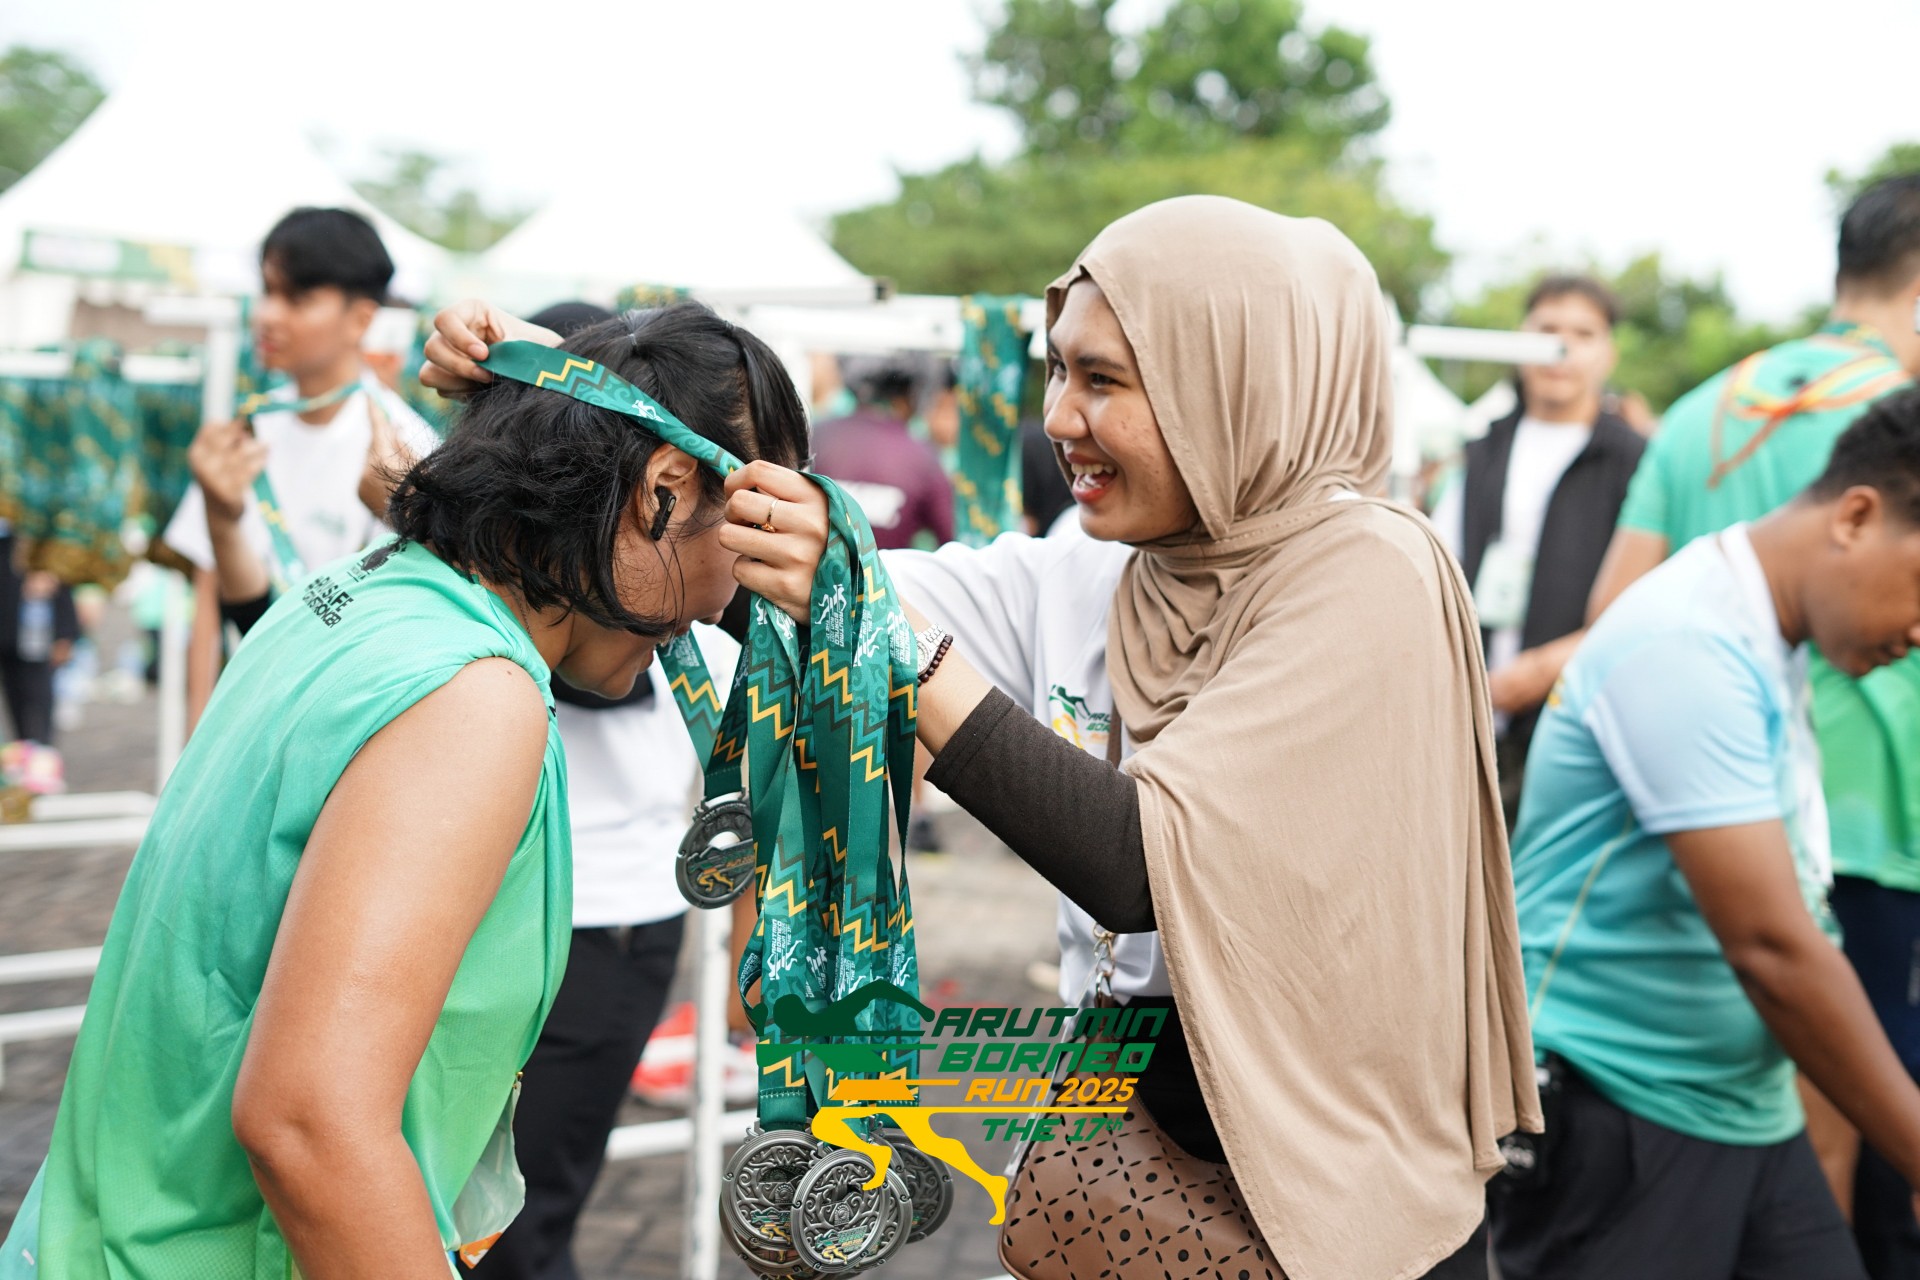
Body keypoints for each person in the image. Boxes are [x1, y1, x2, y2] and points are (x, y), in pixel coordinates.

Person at [424, 198, 1540, 1279]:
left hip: (1320, 1179)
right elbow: (785, 581)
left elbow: (1142, 865)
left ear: (1231, 380)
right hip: (1125, 1152)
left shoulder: (1366, 573)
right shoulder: (1102, 570)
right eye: (1057, 370)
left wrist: (881, 632)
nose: (1059, 417)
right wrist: (591, 403)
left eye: (1104, 379)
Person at [0, 302, 817, 1279]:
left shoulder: (357, 592)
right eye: (749, 526)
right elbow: (310, 1122)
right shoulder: (473, 694)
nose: (732, 595)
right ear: (665, 489)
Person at [1492, 392, 1920, 1278]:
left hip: (1742, 1111)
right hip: (1622, 1118)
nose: (1919, 635)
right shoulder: (1687, 643)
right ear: (1856, 517)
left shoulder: (1764, 633)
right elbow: (1771, 947)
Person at [1587, 174, 1920, 1269]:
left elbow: (1606, 609)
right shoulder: (1902, 424)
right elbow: (1777, 951)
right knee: (1840, 1116)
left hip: (1694, 859)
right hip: (1867, 829)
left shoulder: (1700, 411)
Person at [460, 302, 741, 1280]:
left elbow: (600, 678)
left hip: (608, 915)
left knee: (521, 1222)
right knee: (466, 1201)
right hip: (494, 904)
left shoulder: (657, 580)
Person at [162, 207, 441, 728]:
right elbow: (208, 593)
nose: (268, 314)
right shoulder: (247, 430)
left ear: (361, 319)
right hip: (248, 714)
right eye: (267, 291)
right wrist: (197, 733)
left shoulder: (406, 450)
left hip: (346, 726)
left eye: (297, 298)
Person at [1431, 275, 1645, 819]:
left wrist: (1538, 673)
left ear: (1609, 352)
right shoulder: (1482, 448)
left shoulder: (1632, 461)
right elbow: (1437, 567)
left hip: (1573, 717)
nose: (1562, 348)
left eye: (1583, 333)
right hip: (1465, 711)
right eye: (1547, 330)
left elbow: (1640, 606)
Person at [809, 354, 955, 550]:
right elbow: (950, 539)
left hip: (816, 569)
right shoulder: (922, 457)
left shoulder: (817, 435)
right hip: (884, 569)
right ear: (908, 397)